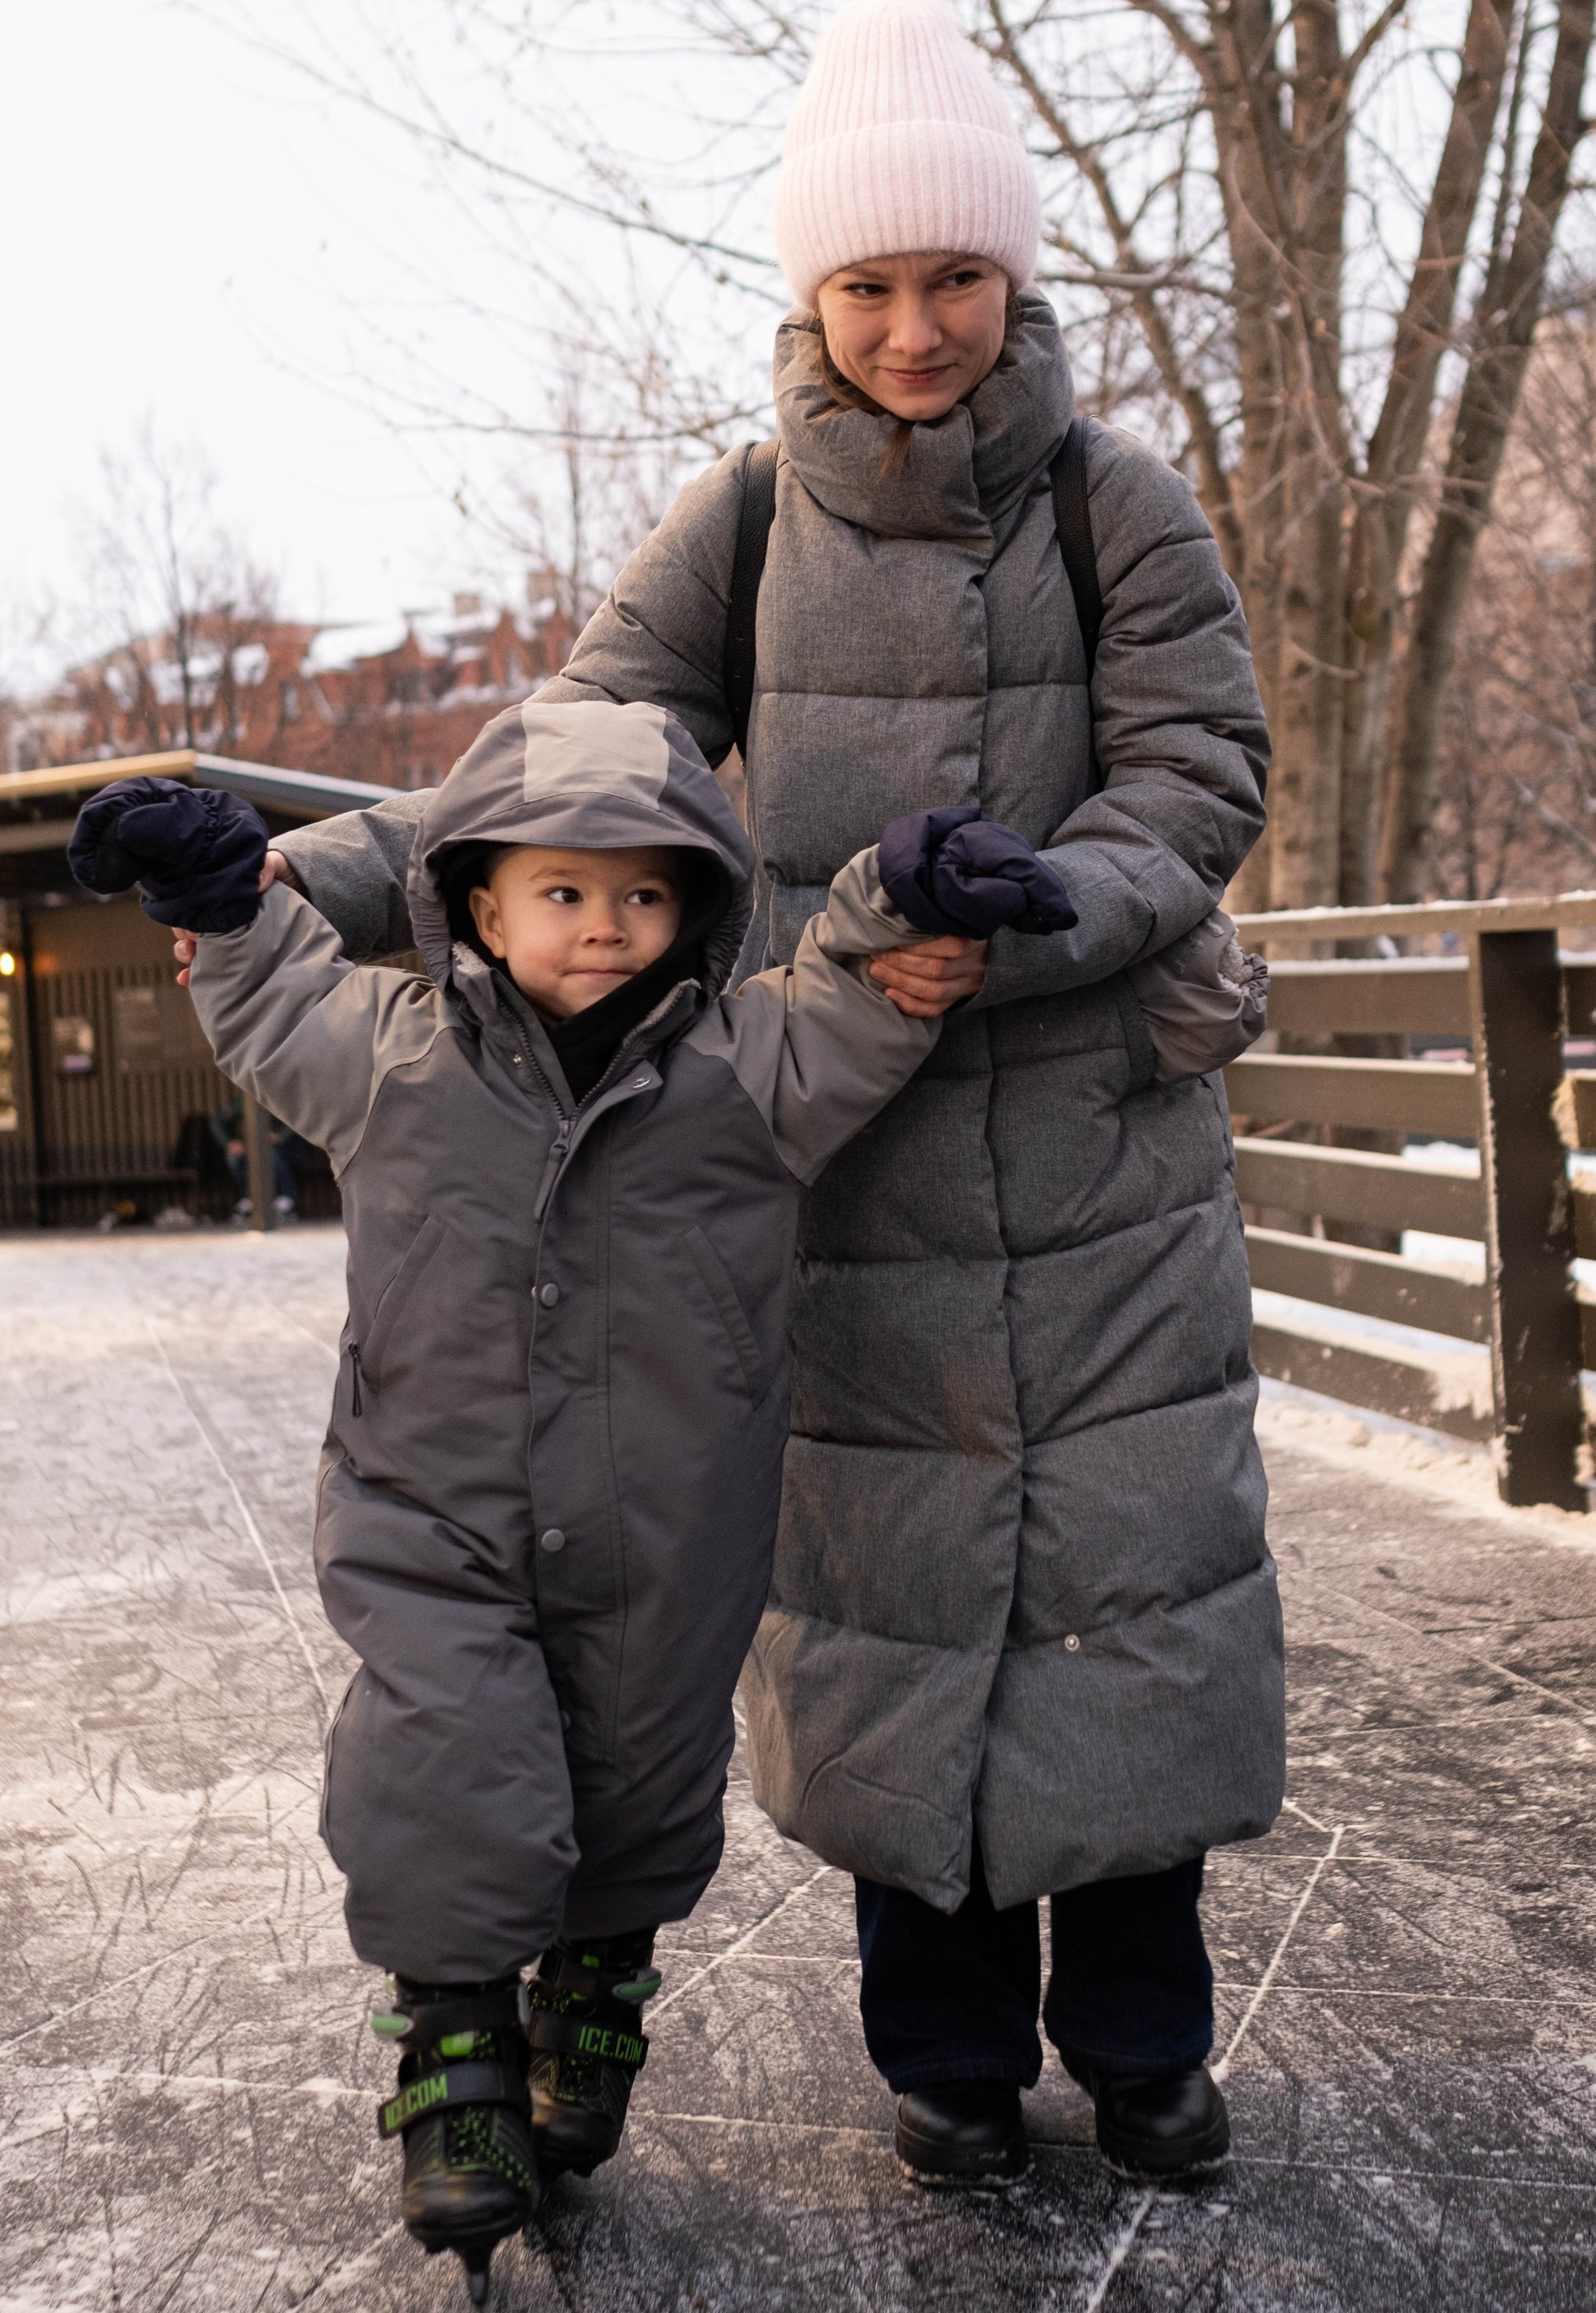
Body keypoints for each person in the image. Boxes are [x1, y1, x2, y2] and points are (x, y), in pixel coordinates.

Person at [261, 0, 1283, 2192]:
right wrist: (310, 873)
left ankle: (1138, 2034)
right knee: (894, 1595)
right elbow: (567, 758)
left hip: (1102, 1136)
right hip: (847, 1143)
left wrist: (1056, 893)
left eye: (952, 278)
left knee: (1133, 1584)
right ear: (811, 297)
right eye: (870, 282)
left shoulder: (1116, 501)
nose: (914, 325)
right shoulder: (741, 520)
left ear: (1012, 280)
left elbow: (1204, 765)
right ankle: (938, 2047)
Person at [70, 711, 1024, 2299]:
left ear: (693, 913)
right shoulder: (392, 1052)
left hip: (673, 1522)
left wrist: (905, 900)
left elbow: (860, 1008)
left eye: (644, 899)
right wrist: (228, 893)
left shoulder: (743, 1063)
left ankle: (594, 1981)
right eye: (564, 894)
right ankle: (453, 2054)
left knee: (640, 1769)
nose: (605, 927)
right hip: (427, 1507)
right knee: (445, 1751)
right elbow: (274, 987)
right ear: (480, 908)